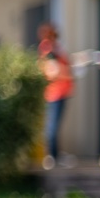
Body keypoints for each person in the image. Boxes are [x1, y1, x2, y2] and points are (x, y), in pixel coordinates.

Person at [37, 22, 74, 169]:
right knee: (51, 126)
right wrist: (68, 73)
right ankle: (52, 156)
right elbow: (52, 71)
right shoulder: (48, 48)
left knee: (55, 126)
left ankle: (55, 155)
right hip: (54, 94)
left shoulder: (56, 47)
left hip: (62, 92)